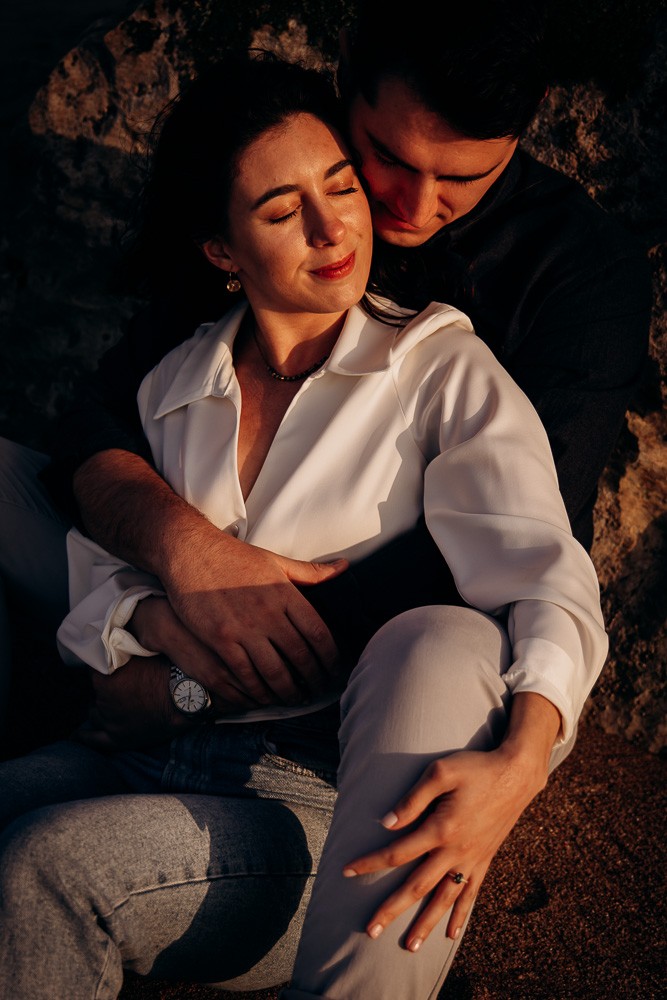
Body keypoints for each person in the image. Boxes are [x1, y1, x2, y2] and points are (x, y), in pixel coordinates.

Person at [0, 51, 607, 999]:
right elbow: (100, 568)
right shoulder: (174, 382)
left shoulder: (440, 368)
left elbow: (540, 567)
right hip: (137, 757)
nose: (333, 229)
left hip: (310, 800)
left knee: (48, 867)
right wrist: (149, 622)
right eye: (283, 212)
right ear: (221, 251)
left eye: (341, 187)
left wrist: (526, 753)